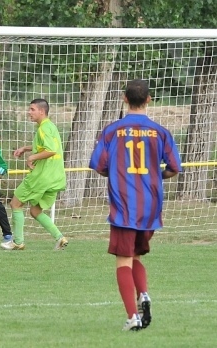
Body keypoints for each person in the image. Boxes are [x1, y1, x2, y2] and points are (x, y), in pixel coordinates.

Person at [89, 79, 182, 331]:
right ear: (149, 99)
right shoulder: (161, 132)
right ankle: (144, 294)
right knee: (137, 255)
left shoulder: (112, 131)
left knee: (123, 260)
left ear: (124, 98)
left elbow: (98, 166)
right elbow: (174, 168)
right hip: (150, 206)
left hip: (124, 206)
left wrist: (120, 173)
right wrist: (154, 175)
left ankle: (132, 317)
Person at [0, 98, 68, 251]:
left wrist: (32, 157)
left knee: (15, 204)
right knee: (35, 211)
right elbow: (44, 146)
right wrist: (26, 148)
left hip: (42, 177)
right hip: (55, 178)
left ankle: (17, 242)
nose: (29, 112)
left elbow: (51, 150)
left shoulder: (43, 128)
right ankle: (59, 238)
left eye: (32, 109)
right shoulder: (50, 127)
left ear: (41, 111)